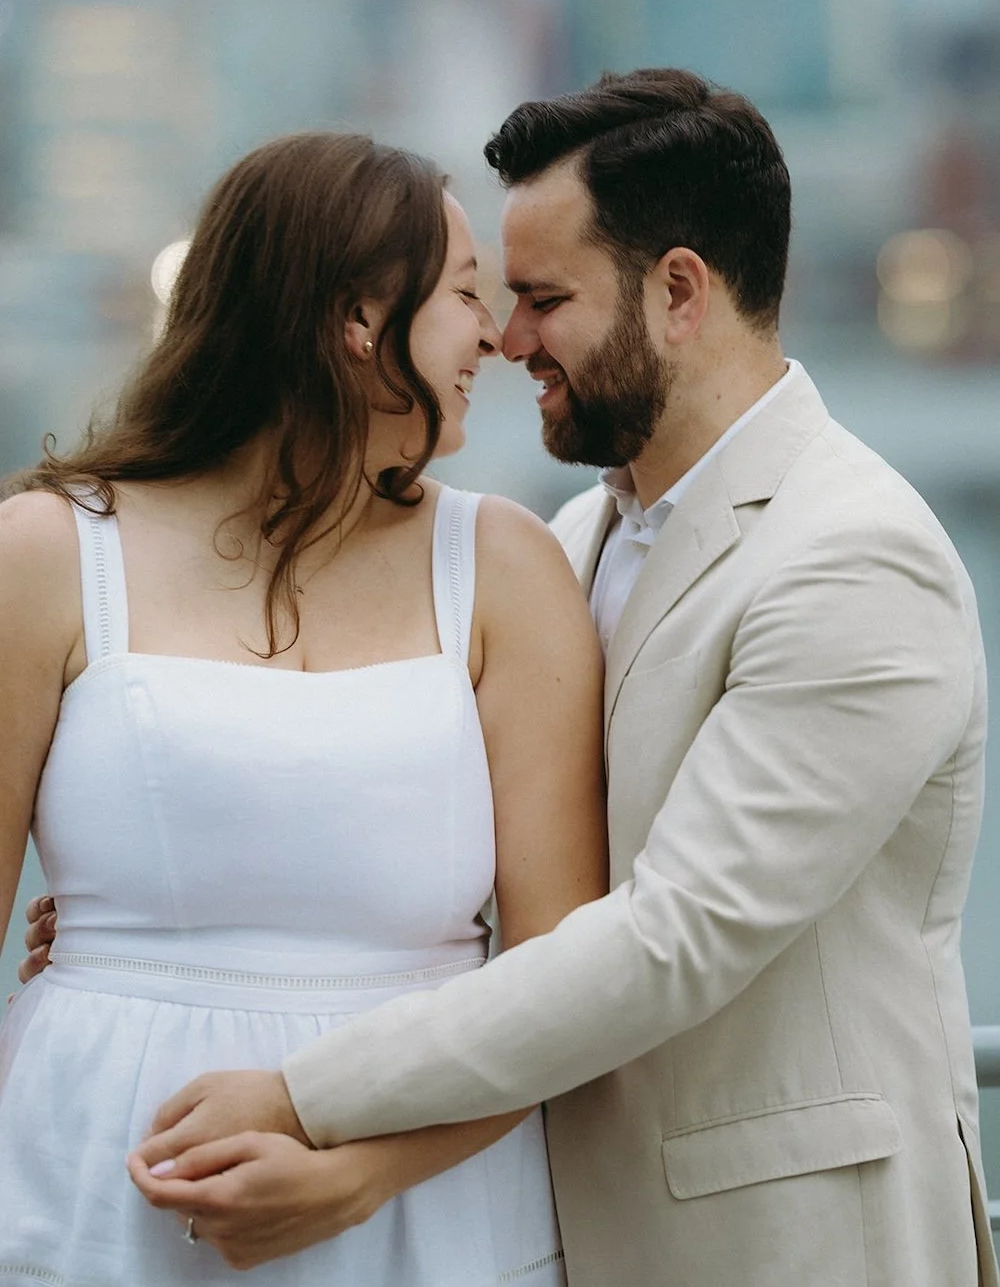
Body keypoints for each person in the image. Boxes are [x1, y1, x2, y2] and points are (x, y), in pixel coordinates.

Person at [102, 69, 998, 1287]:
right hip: (544, 1224)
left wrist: (310, 1096)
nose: (506, 338)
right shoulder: (571, 541)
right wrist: (148, 907)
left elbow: (676, 936)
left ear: (678, 292)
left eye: (542, 299)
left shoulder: (852, 559)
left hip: (783, 1245)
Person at [0, 131, 608, 1284]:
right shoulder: (46, 552)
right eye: (465, 297)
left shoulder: (506, 566)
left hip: (427, 1207)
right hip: (87, 1185)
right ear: (354, 320)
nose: (493, 334)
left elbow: (559, 985)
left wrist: (353, 1174)